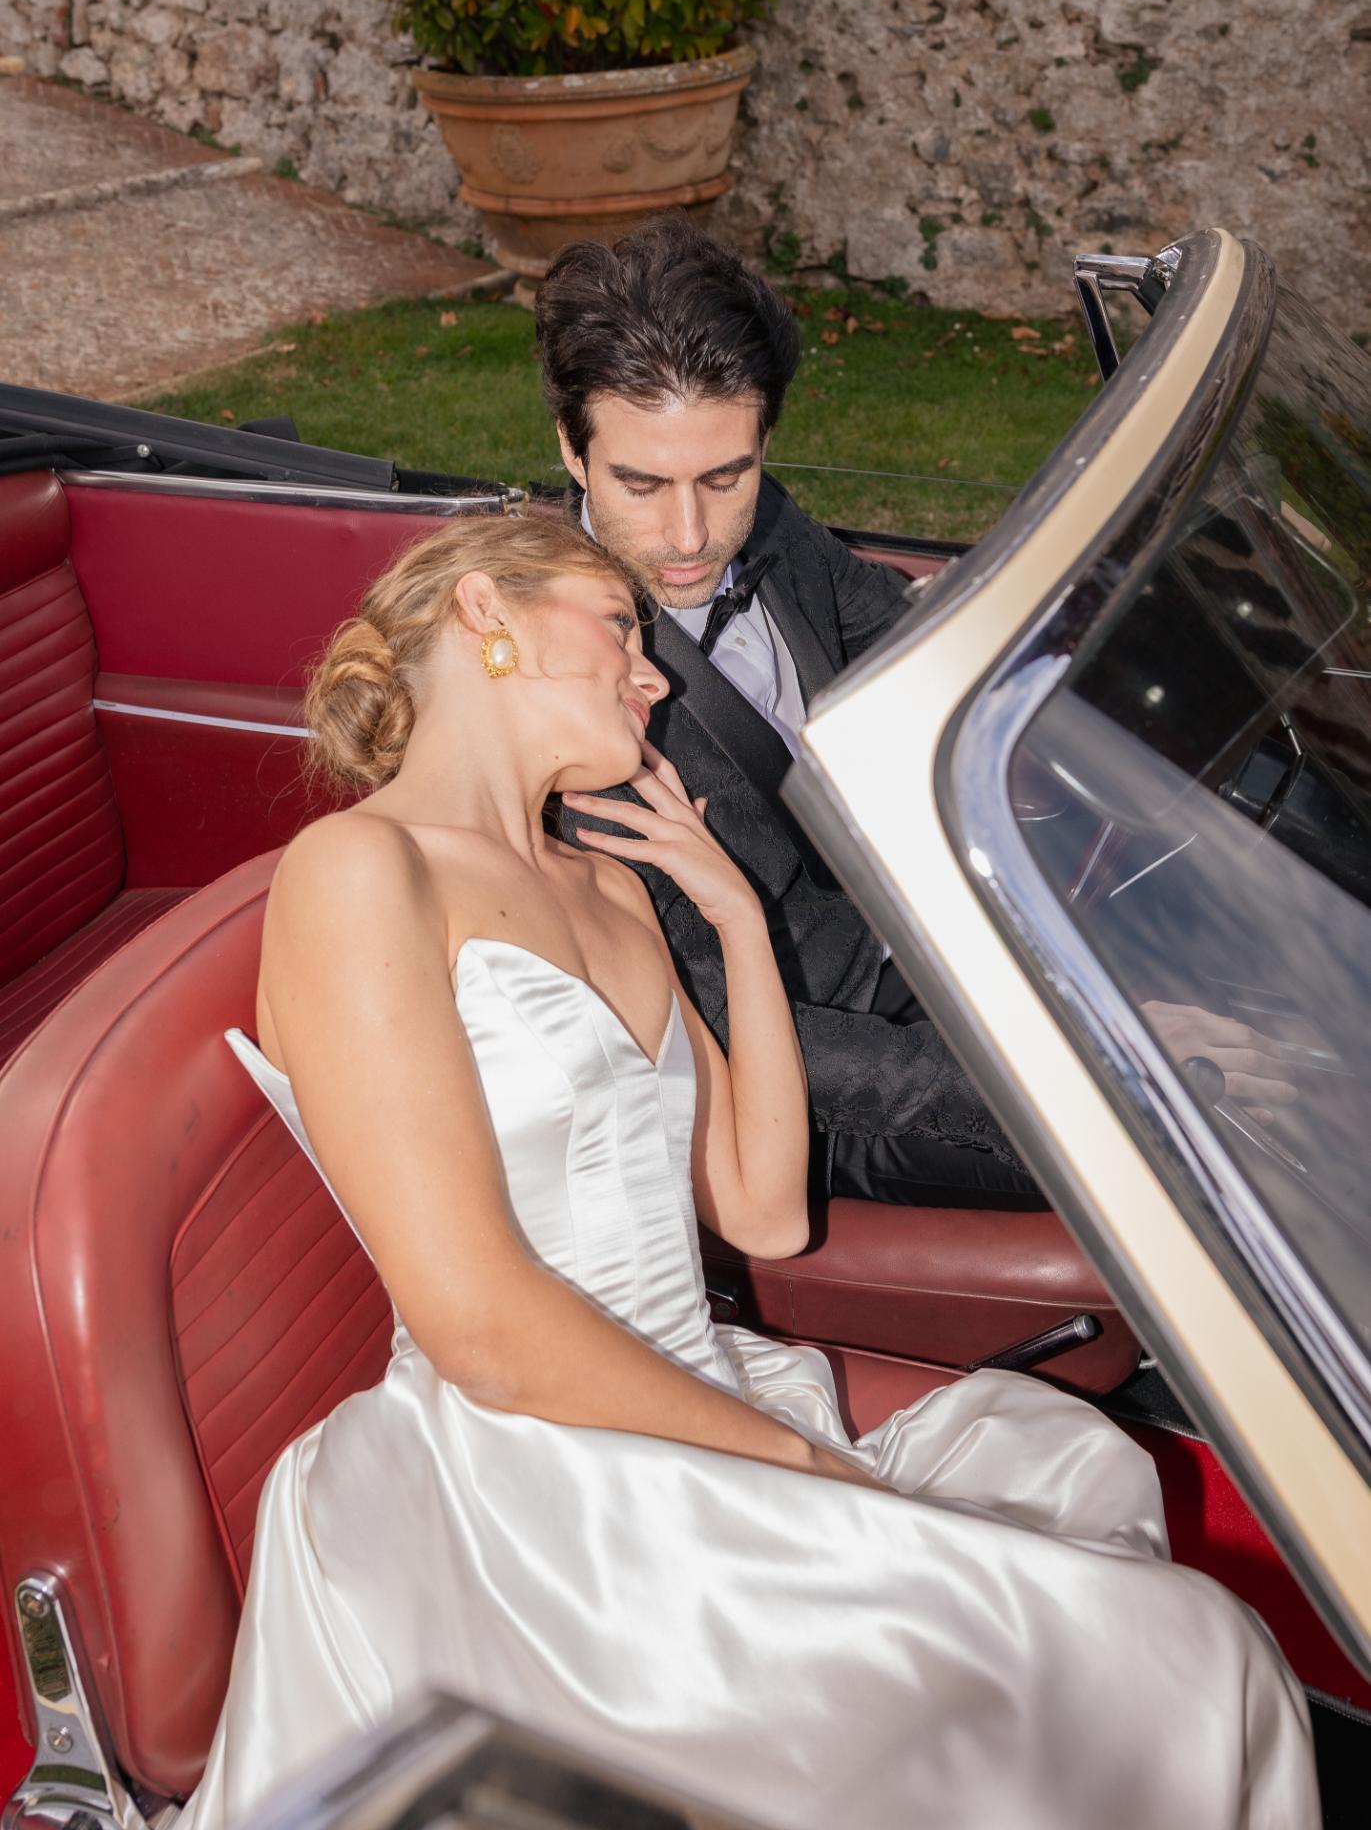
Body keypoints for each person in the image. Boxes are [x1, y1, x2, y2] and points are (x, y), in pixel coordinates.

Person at [174, 513, 1315, 1830]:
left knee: (1083, 1490)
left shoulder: (605, 886)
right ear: (487, 610)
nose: (651, 675)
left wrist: (730, 911)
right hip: (529, 1472)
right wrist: (791, 1462)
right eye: (616, 627)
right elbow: (478, 1325)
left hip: (692, 1387)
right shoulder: (359, 869)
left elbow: (759, 1208)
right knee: (1183, 1655)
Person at [534, 215, 1297, 1207]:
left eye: (727, 474)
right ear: (571, 449)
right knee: (1224, 1147)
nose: (690, 534)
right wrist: (1079, 1069)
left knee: (1270, 941)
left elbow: (896, 635)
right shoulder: (560, 704)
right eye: (642, 484)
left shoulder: (758, 522)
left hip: (922, 918)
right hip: (826, 1079)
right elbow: (714, 1021)